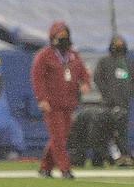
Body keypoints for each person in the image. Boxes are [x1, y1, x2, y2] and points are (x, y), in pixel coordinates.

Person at [31, 21, 90, 178]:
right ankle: (65, 168)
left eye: (65, 35)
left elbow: (83, 72)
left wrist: (85, 83)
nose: (63, 39)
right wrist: (42, 99)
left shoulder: (73, 55)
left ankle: (45, 167)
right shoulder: (44, 55)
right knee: (58, 137)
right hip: (52, 104)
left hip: (69, 102)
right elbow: (38, 79)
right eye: (60, 35)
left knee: (60, 136)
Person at [94, 35, 134, 166]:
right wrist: (108, 96)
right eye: (117, 44)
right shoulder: (105, 62)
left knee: (121, 131)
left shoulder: (127, 63)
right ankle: (105, 156)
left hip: (124, 103)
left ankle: (122, 156)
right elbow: (98, 79)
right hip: (108, 105)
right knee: (107, 131)